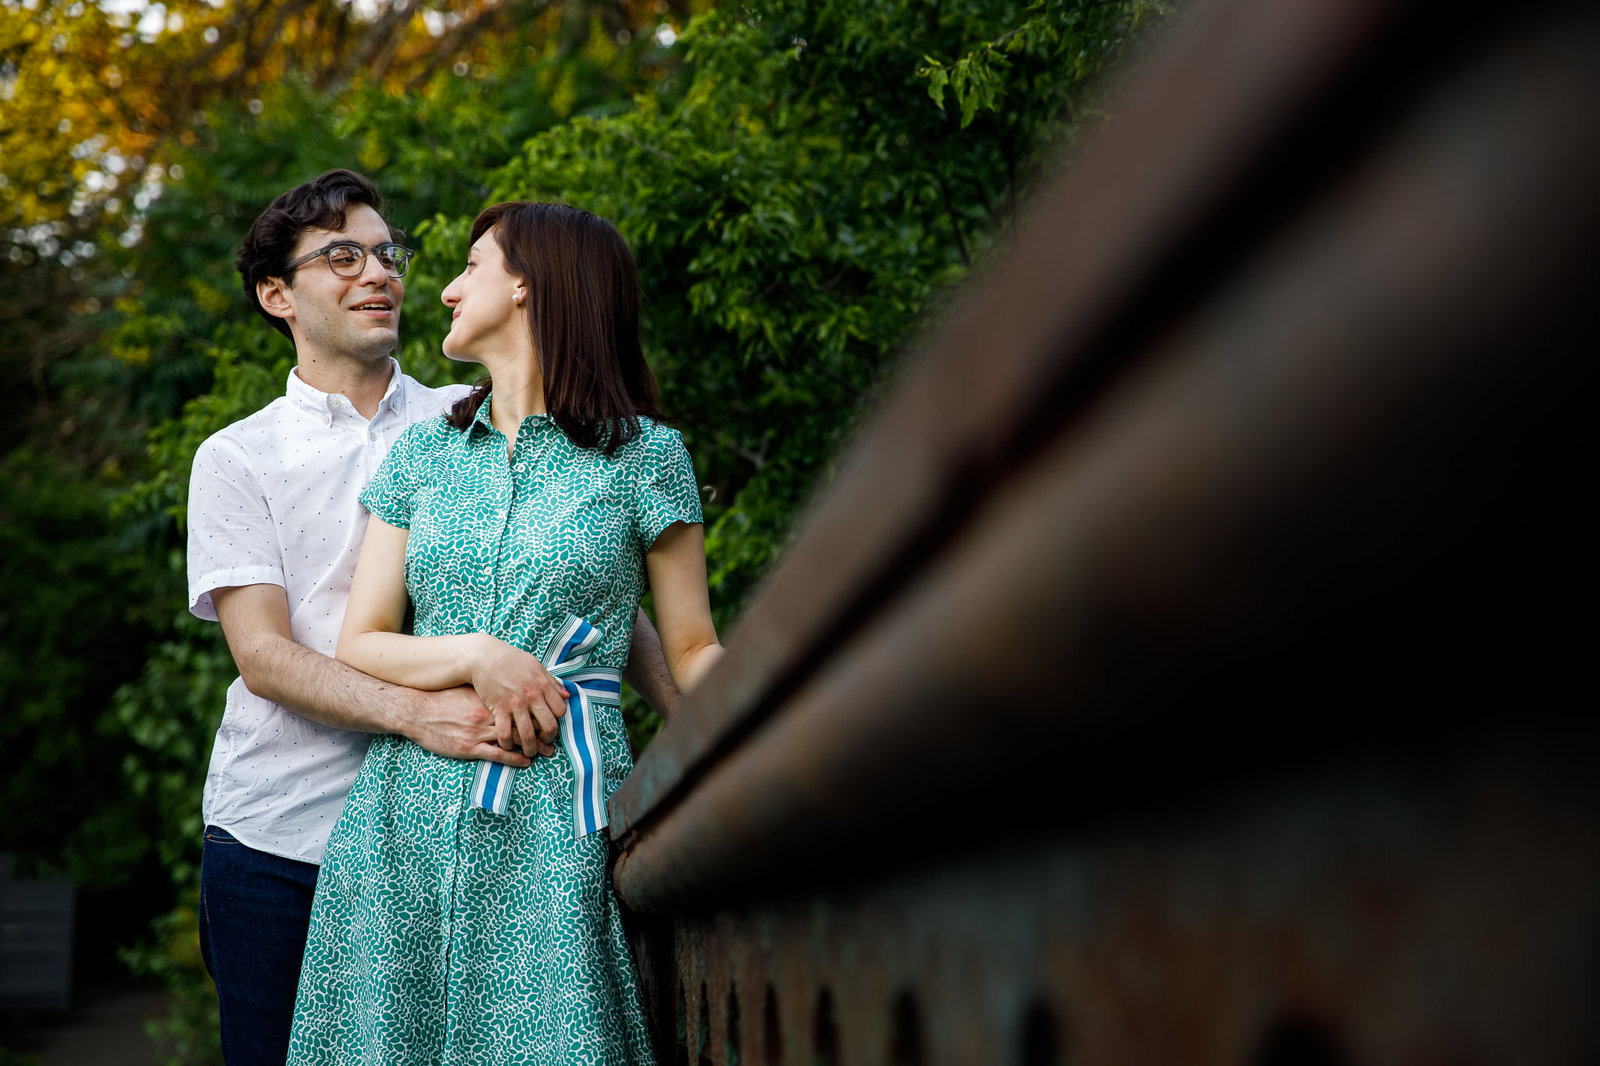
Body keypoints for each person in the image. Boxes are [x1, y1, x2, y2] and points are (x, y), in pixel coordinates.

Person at [187, 172, 680, 1066]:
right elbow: (262, 656)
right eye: (341, 255)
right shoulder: (237, 457)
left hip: (478, 811)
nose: (379, 272)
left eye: (387, 252)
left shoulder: (466, 415)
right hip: (283, 837)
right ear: (276, 296)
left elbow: (595, 586)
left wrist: (694, 711)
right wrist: (429, 712)